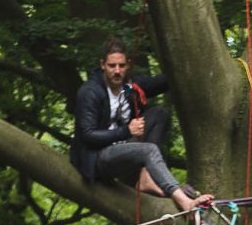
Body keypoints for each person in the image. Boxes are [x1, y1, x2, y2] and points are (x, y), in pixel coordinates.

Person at [72, 38, 211, 211]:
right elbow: (88, 135)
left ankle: (146, 177)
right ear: (103, 65)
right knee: (148, 150)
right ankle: (184, 202)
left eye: (121, 66)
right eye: (112, 66)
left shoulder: (130, 86)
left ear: (127, 65)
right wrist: (126, 131)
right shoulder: (90, 92)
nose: (117, 71)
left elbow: (160, 83)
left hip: (125, 148)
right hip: (99, 158)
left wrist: (192, 65)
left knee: (159, 113)